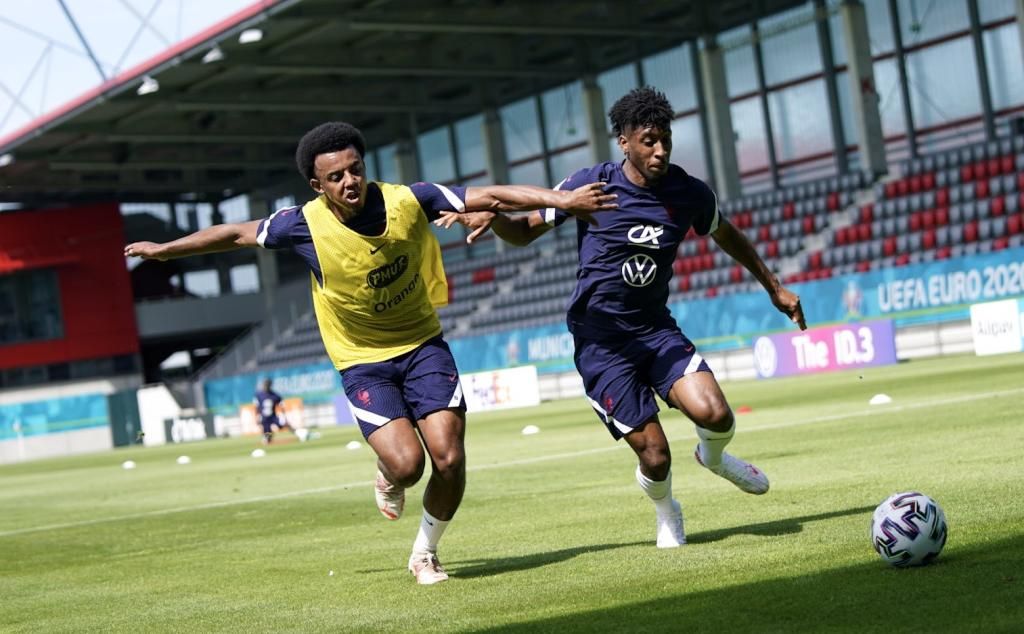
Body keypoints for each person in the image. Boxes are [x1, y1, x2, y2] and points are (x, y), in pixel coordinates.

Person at [124, 121, 615, 583]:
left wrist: (564, 198)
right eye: (335, 176)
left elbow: (490, 194)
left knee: (448, 458)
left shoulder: (410, 199)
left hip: (423, 345)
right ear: (318, 186)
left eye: (355, 169)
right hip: (361, 360)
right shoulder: (300, 225)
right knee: (408, 466)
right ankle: (387, 469)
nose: (349, 181)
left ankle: (425, 550)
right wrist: (166, 250)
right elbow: (233, 234)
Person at [437, 87, 806, 548]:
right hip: (600, 342)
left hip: (654, 329)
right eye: (649, 140)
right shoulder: (591, 185)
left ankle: (713, 458)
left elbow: (724, 232)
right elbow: (525, 231)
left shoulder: (688, 192)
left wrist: (775, 287)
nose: (660, 150)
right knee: (655, 458)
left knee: (716, 414)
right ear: (624, 142)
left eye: (666, 139)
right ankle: (667, 511)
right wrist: (495, 218)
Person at [254, 378, 292, 444]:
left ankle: (298, 432)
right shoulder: (259, 395)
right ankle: (268, 438)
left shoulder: (275, 395)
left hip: (273, 416)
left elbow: (281, 405)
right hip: (264, 418)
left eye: (267, 385)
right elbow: (256, 407)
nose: (265, 386)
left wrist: (284, 416)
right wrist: (257, 417)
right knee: (268, 436)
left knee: (283, 424)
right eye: (265, 385)